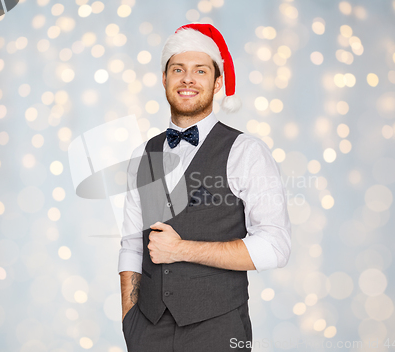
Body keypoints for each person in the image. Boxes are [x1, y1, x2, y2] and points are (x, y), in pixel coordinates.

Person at [118, 23, 291, 352]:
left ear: (217, 82)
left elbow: (276, 246)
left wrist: (182, 250)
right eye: (178, 69)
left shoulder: (245, 152)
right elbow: (131, 245)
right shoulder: (144, 154)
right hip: (147, 331)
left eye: (200, 70)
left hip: (218, 330)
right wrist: (130, 322)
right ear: (165, 79)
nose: (187, 79)